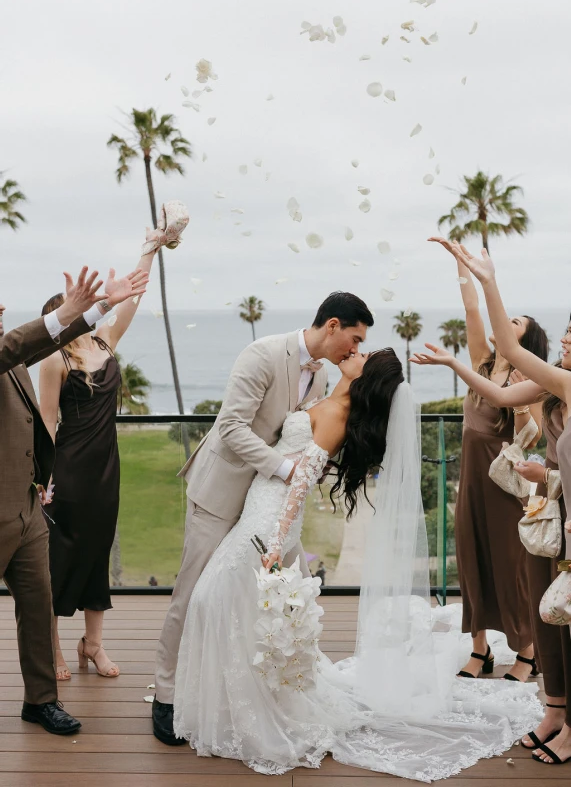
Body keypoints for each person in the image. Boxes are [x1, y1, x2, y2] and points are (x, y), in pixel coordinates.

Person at [173, 348, 543, 780]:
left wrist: (274, 544)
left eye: (362, 354)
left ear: (366, 375)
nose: (354, 352)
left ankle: (254, 708)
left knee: (209, 599)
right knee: (227, 605)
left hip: (268, 519)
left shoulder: (335, 414)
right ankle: (238, 703)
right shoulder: (328, 394)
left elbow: (301, 482)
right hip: (258, 509)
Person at [153, 292, 375, 745]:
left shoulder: (320, 378)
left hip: (267, 504)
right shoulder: (262, 354)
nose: (353, 351)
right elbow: (232, 427)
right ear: (332, 325)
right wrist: (287, 468)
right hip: (223, 491)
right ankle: (166, 694)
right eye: (353, 340)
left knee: (285, 590)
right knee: (193, 591)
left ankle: (268, 688)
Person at [411, 315, 571, 753]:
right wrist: (464, 271)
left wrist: (485, 279)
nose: (566, 339)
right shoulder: (516, 372)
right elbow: (493, 376)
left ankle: (541, 678)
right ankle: (535, 694)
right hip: (512, 496)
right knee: (491, 573)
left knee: (531, 586)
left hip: (530, 497)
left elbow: (532, 430)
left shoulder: (546, 380)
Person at [0, 265, 148, 735]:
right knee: (51, 581)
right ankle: (50, 679)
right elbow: (40, 402)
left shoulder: (92, 347)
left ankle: (42, 699)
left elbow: (125, 308)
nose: (3, 308)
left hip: (52, 494)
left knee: (43, 593)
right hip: (30, 493)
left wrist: (142, 261)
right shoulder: (29, 357)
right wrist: (77, 308)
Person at [421, 237, 548, 683]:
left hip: (504, 483)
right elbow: (474, 310)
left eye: (514, 321)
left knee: (509, 567)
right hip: (471, 479)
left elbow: (532, 433)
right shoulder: (483, 360)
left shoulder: (528, 379)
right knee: (471, 560)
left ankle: (526, 651)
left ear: (525, 338)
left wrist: (517, 398)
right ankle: (480, 650)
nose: (503, 322)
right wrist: (461, 265)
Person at [38, 247, 158, 682]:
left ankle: (93, 645)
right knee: (59, 559)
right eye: (75, 310)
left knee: (96, 553)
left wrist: (151, 250)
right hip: (68, 471)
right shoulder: (55, 360)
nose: (85, 314)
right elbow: (47, 423)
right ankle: (52, 650)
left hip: (107, 469)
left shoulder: (106, 342)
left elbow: (132, 298)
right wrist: (42, 480)